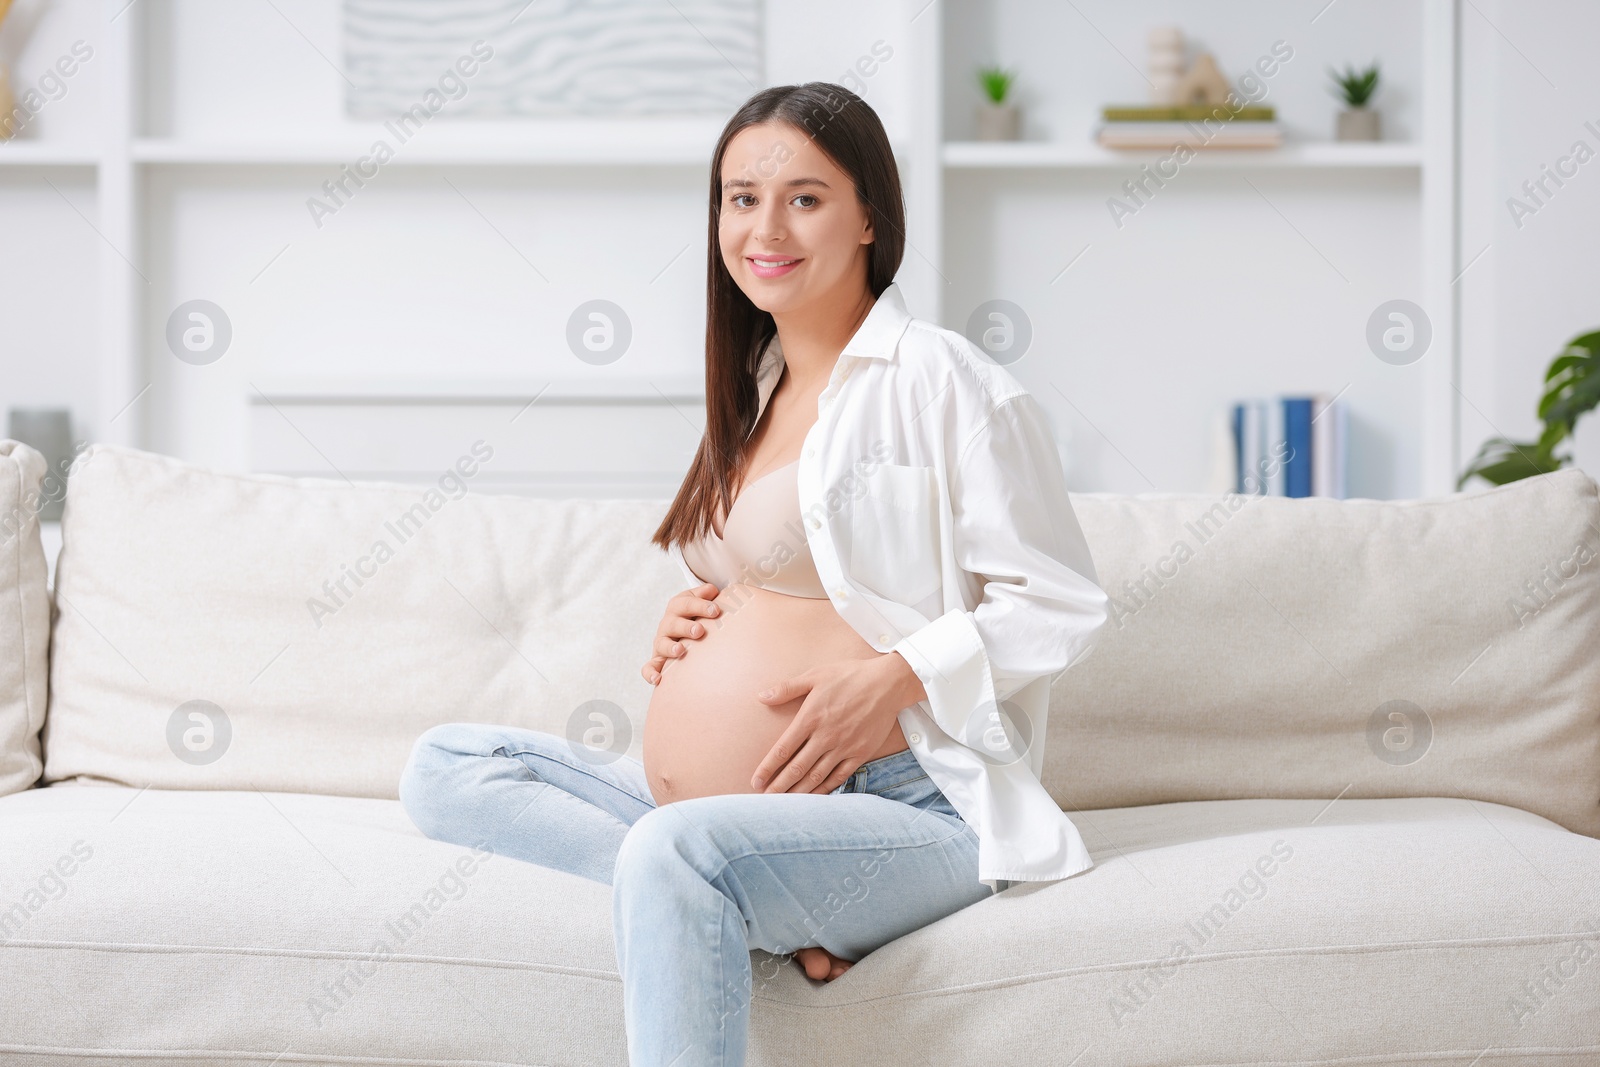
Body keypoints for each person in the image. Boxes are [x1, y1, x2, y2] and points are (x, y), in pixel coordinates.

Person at [399, 81, 1109, 1067]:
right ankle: (750, 906)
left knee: (671, 850)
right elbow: (794, 576)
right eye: (740, 197)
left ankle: (709, 885)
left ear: (869, 215)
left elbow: (1061, 602)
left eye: (804, 197)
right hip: (717, 814)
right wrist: (696, 616)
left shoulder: (944, 381)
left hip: (904, 802)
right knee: (444, 767)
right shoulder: (756, 381)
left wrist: (898, 673)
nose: (763, 225)